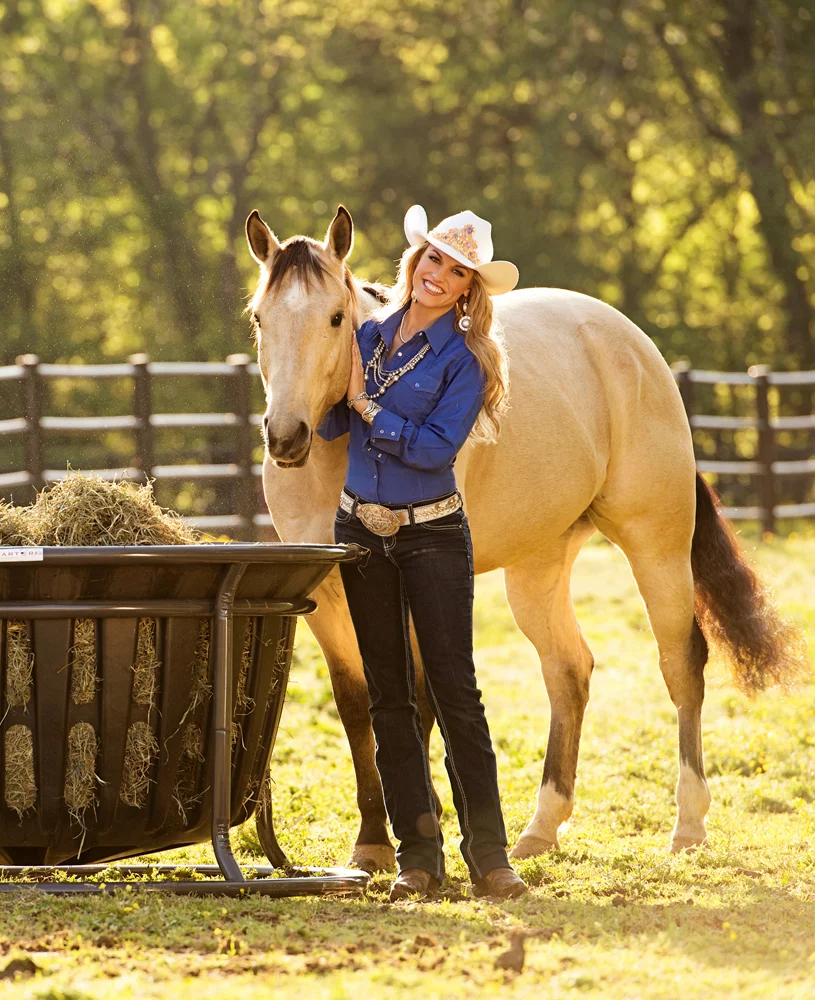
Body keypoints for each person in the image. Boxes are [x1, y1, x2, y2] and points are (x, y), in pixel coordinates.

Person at [318, 205, 525, 901]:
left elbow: (437, 448)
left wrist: (367, 407)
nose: (439, 275)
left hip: (432, 532)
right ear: (416, 262)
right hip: (361, 533)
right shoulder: (367, 336)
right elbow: (325, 425)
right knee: (387, 698)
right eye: (433, 259)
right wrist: (320, 378)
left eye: (457, 270)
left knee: (452, 690)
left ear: (469, 289)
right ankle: (418, 854)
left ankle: (490, 855)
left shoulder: (466, 362)